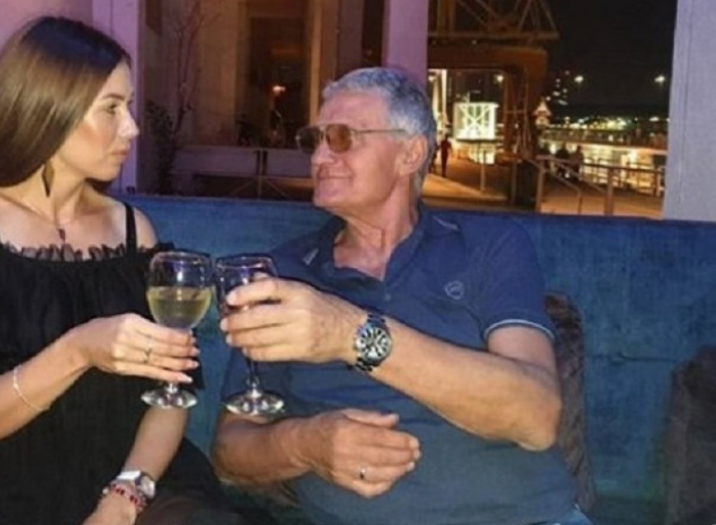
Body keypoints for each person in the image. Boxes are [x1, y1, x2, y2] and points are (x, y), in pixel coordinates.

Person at [0, 16, 244, 525]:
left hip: (140, 477)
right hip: (12, 486)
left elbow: (173, 391)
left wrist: (126, 496)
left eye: (129, 106)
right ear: (50, 108)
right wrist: (79, 350)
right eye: (111, 108)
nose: (132, 128)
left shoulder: (134, 230)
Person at [212, 67, 588, 525]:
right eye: (314, 140)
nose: (320, 157)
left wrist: (351, 335)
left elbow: (536, 414)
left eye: (342, 137)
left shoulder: (488, 245)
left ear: (411, 153)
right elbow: (230, 450)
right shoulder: (285, 272)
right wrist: (304, 444)